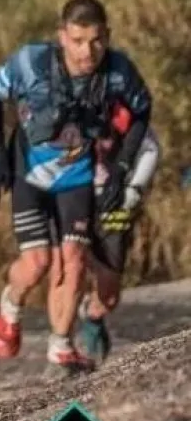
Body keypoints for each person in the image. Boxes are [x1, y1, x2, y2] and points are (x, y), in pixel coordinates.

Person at [0, 0, 152, 377]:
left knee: (73, 261)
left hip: (76, 179)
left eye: (95, 41)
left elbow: (142, 110)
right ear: (62, 36)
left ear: (106, 36)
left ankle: (60, 348)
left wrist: (123, 165)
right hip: (30, 176)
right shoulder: (32, 62)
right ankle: (11, 304)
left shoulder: (119, 71)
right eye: (77, 40)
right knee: (38, 262)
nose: (86, 51)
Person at [73, 106, 161, 362]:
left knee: (109, 294)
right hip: (73, 198)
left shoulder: (123, 110)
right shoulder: (61, 105)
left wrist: (134, 188)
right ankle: (64, 343)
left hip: (115, 202)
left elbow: (150, 149)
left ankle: (92, 314)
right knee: (71, 265)